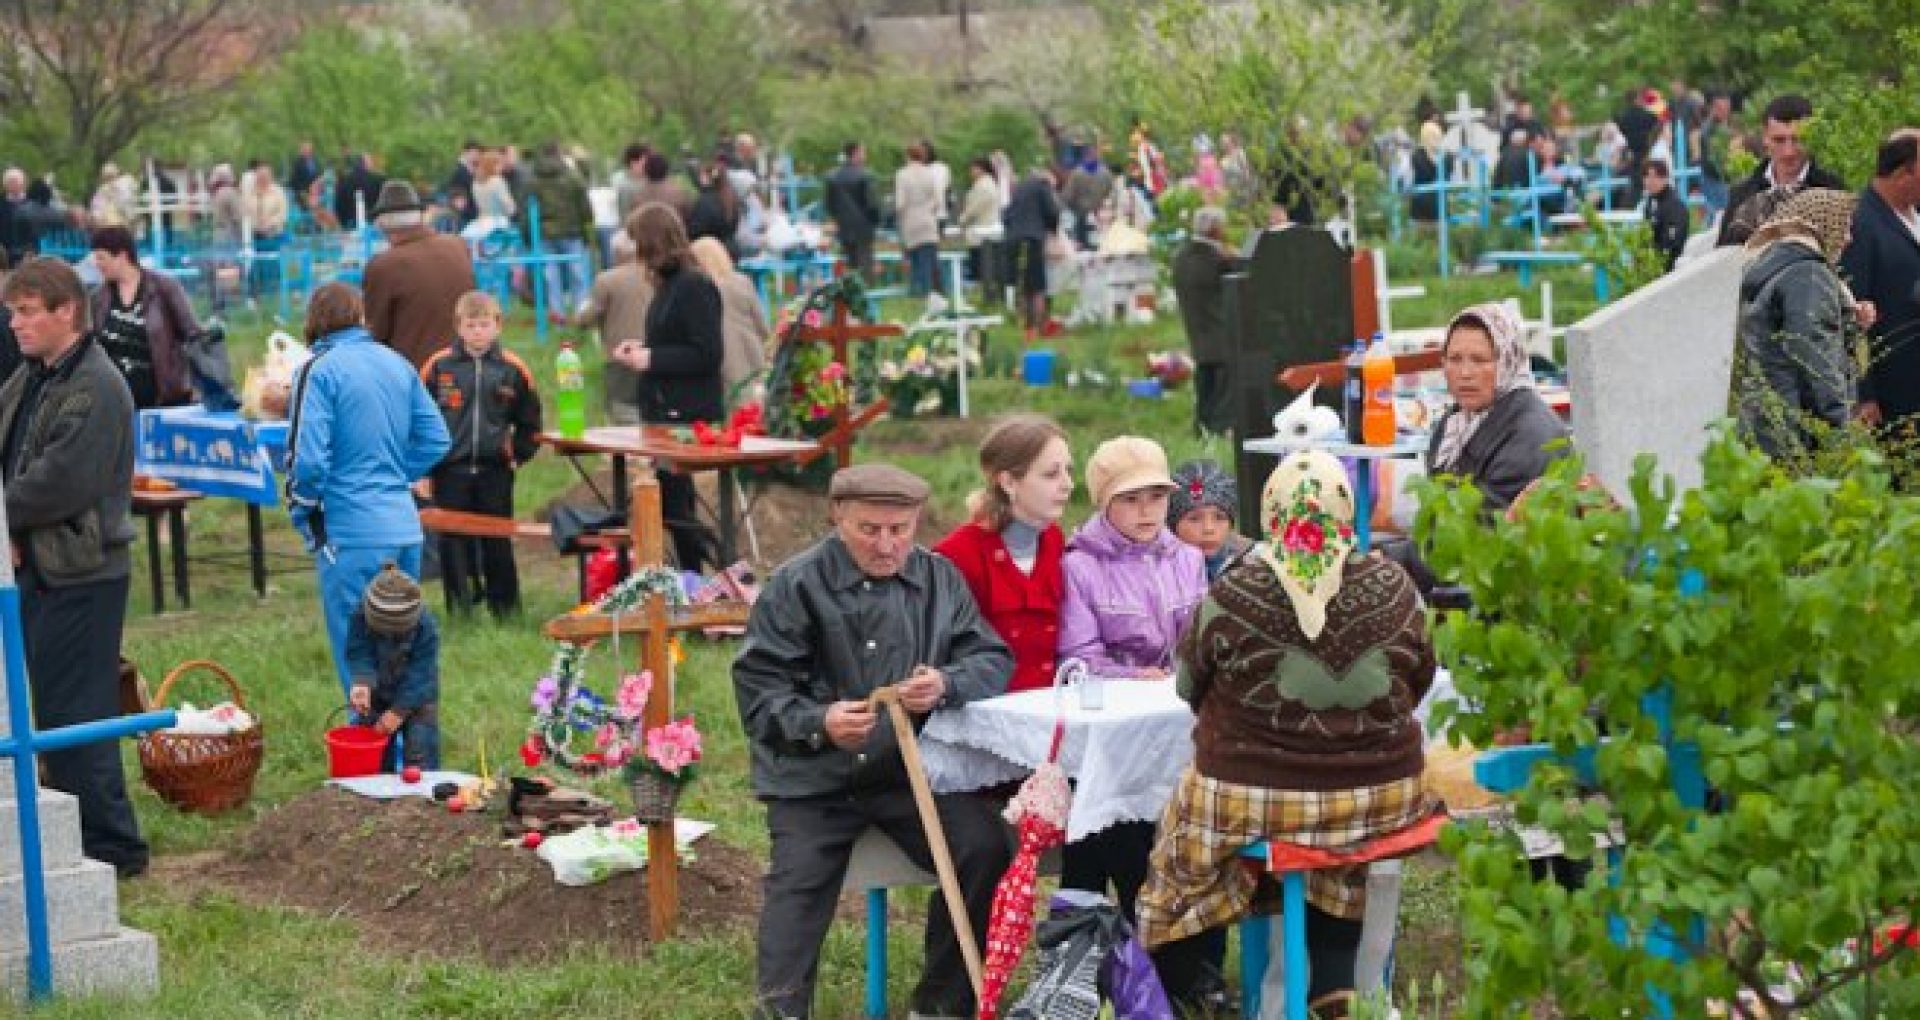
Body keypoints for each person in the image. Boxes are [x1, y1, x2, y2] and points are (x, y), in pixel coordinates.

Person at [1138, 449, 1438, 1020]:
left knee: (1181, 848)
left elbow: (1188, 684)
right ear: (1345, 511)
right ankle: (1331, 982)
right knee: (1339, 840)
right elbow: (1420, 675)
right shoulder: (1394, 584)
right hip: (1381, 796)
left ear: (1271, 511)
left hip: (1255, 798)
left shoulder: (1233, 591)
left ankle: (1179, 974)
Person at [732, 463, 1014, 1020]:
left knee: (985, 847)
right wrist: (820, 721)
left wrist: (947, 684)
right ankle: (780, 1012)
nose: (887, 545)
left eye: (900, 529)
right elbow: (759, 692)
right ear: (837, 516)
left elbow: (991, 657)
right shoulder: (795, 585)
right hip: (813, 778)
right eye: (869, 529)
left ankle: (942, 1005)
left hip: (901, 771)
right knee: (798, 888)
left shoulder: (938, 579)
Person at [1054, 435, 1217, 1006]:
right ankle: (1107, 967)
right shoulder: (1079, 566)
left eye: (1156, 496)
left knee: (1191, 831)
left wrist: (1185, 673)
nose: (1148, 511)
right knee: (1111, 834)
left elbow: (1202, 640)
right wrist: (1135, 677)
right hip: (1108, 735)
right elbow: (1077, 655)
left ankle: (1185, 970)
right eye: (1131, 499)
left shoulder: (1189, 559)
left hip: (1176, 729)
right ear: (1104, 503)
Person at [0, 256, 148, 878]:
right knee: (54, 709)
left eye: (28, 312)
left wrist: (3, 518)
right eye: (12, 313)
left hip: (84, 573)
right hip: (41, 567)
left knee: (78, 714)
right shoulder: (32, 379)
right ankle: (76, 835)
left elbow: (62, 482)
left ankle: (113, 846)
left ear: (67, 311)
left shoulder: (99, 385)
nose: (15, 324)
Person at [285, 282, 450, 699]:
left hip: (350, 530)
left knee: (358, 659)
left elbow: (307, 461)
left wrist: (302, 510)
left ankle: (368, 756)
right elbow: (436, 439)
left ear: (313, 323)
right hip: (403, 526)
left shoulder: (317, 370)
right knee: (399, 649)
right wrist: (396, 473)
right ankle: (406, 756)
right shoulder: (397, 362)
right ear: (361, 316)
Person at [609, 203, 722, 570]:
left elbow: (707, 354)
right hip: (663, 409)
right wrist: (644, 352)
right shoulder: (670, 285)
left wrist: (652, 359)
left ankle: (703, 573)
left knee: (676, 507)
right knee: (672, 506)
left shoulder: (694, 285)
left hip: (686, 414)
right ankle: (688, 578)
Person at [420, 290, 541, 617]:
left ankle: (506, 610)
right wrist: (422, 470)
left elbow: (530, 420)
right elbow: (418, 420)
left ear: (497, 326)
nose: (478, 332)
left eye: (484, 324)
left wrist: (518, 453)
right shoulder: (438, 366)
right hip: (450, 470)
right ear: (459, 327)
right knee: (453, 541)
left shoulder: (512, 368)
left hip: (494, 470)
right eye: (471, 325)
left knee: (497, 538)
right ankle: (460, 610)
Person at [933, 414, 1074, 694]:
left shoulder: (1054, 539)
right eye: (1051, 474)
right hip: (988, 721)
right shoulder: (956, 555)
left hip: (1052, 711)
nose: (1068, 484)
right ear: (1008, 482)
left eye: (1069, 471)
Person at [1734, 188, 1861, 461]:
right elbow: (1815, 358)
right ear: (1823, 223)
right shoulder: (1808, 274)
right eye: (1844, 225)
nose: (1848, 238)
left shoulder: (1776, 266)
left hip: (1767, 423)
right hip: (1796, 432)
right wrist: (1840, 432)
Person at [1426, 302, 1571, 511]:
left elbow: (1485, 526)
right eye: (1455, 359)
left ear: (1507, 362)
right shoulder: (1455, 420)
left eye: (1479, 360)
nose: (1465, 373)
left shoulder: (1530, 434)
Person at [1842, 132, 1920, 433]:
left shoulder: (1913, 213)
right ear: (1902, 174)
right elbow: (1852, 309)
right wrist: (1864, 393)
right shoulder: (1862, 224)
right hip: (1896, 387)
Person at [363, 181, 478, 370]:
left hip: (416, 373)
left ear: (383, 225)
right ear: (420, 217)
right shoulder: (458, 246)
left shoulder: (385, 265)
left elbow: (376, 333)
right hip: (468, 364)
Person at [86, 225, 201, 409]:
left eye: (101, 258)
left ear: (122, 256)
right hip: (115, 404)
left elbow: (193, 335)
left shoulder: (165, 289)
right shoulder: (98, 298)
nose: (96, 264)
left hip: (162, 401)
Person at [1716, 94, 1845, 247]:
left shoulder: (1832, 189)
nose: (1788, 152)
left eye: (1798, 139)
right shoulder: (1742, 194)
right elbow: (1724, 258)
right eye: (1779, 140)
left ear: (1811, 137)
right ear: (1765, 137)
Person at [346, 563, 441, 769]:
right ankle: (378, 788)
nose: (390, 636)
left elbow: (421, 674)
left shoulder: (426, 627)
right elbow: (358, 651)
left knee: (420, 752)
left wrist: (399, 711)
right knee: (374, 752)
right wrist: (362, 682)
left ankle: (420, 793)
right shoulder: (359, 616)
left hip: (417, 699)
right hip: (376, 694)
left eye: (399, 632)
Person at [577, 210, 656, 425]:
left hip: (620, 356)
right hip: (656, 353)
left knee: (623, 410)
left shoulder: (607, 280)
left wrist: (580, 315)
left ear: (616, 253)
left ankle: (632, 454)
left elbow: (588, 318)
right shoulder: (658, 275)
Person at [1172, 206, 1237, 436]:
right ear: (1215, 230)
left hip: (1197, 332)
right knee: (1222, 388)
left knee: (1205, 385)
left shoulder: (1182, 257)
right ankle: (1218, 428)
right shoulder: (1217, 260)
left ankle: (1201, 428)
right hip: (1220, 332)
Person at [688, 236, 770, 402]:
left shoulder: (695, 289)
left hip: (719, 365)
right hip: (750, 357)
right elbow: (761, 325)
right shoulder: (742, 282)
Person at [527, 142, 596, 317]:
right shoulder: (573, 177)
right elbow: (584, 206)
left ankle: (558, 315)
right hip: (572, 231)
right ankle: (581, 312)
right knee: (578, 274)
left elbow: (527, 207)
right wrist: (587, 222)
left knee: (551, 276)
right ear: (559, 154)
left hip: (544, 232)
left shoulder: (533, 180)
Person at [1001, 166, 1060, 342]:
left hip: (1013, 239)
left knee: (1022, 284)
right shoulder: (1043, 186)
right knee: (1037, 286)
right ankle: (1038, 326)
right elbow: (1052, 211)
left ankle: (1025, 326)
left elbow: (1006, 214)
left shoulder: (1019, 188)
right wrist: (1053, 230)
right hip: (1033, 238)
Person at [1168, 459, 1252, 581]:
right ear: (1173, 526)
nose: (1208, 529)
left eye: (1219, 517)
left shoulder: (1253, 566)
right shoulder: (1158, 574)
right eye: (1194, 519)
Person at [895, 143, 945, 297]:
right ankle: (929, 291)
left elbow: (900, 203)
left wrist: (900, 217)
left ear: (908, 156)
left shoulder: (902, 174)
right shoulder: (930, 173)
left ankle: (916, 292)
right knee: (928, 259)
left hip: (910, 221)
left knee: (914, 259)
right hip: (928, 220)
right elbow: (938, 200)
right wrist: (928, 211)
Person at [825, 142, 880, 281]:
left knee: (851, 264)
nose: (865, 155)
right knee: (865, 264)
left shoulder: (833, 176)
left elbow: (829, 204)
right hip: (863, 226)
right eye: (863, 152)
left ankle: (853, 296)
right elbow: (872, 204)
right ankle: (865, 296)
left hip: (844, 227)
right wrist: (876, 221)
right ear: (856, 153)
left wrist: (838, 219)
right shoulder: (865, 175)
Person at [686, 159, 743, 259]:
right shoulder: (731, 197)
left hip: (712, 253)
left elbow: (695, 231)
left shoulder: (705, 202)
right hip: (731, 249)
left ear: (707, 178)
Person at [956, 157, 1000, 286]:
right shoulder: (988, 184)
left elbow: (974, 208)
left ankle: (981, 287)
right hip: (985, 229)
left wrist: (962, 219)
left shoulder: (983, 186)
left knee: (980, 264)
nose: (971, 172)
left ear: (981, 169)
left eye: (973, 169)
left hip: (981, 230)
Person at [1641, 160, 1690, 273]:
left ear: (1665, 178)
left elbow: (1673, 241)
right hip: (1652, 263)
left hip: (1669, 266)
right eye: (1646, 176)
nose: (1649, 181)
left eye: (1654, 177)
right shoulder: (1650, 202)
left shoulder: (1674, 205)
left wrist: (1658, 260)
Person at [332, 153, 386, 231]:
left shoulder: (344, 181)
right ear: (366, 163)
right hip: (374, 223)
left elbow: (338, 205)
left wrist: (343, 223)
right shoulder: (378, 180)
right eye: (370, 162)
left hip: (351, 223)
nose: (372, 165)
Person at [242, 161, 289, 245]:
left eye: (265, 176)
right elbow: (245, 213)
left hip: (274, 235)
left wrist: (270, 223)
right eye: (260, 176)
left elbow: (283, 214)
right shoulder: (249, 193)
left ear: (271, 176)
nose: (262, 178)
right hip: (253, 237)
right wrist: (254, 225)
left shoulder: (279, 192)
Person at [613, 143, 653, 226]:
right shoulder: (624, 186)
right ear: (633, 163)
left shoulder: (651, 180)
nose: (648, 166)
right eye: (644, 163)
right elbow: (624, 216)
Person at [289, 141, 321, 214]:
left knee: (315, 212)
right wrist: (302, 191)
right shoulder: (297, 163)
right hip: (302, 192)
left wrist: (317, 184)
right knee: (305, 212)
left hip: (315, 193)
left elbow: (318, 175)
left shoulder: (315, 161)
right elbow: (293, 180)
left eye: (309, 149)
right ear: (301, 151)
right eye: (305, 149)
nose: (308, 151)